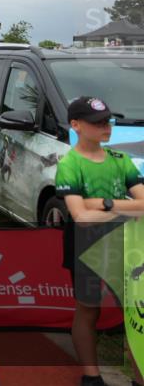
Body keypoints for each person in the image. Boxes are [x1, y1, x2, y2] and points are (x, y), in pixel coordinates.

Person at [55, 96, 144, 386]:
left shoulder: (122, 160)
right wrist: (124, 209)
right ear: (76, 125)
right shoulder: (69, 164)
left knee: (134, 309)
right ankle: (91, 377)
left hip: (126, 245)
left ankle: (138, 374)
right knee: (88, 308)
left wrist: (104, 203)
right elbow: (80, 216)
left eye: (107, 121)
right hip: (86, 245)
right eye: (98, 123)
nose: (106, 127)